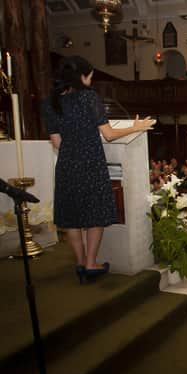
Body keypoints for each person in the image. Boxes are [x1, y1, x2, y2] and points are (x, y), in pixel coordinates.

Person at [42, 56, 155, 283]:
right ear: (81, 76)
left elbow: (57, 143)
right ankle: (92, 263)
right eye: (90, 76)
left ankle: (80, 263)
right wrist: (136, 126)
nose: (91, 81)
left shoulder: (50, 102)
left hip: (66, 165)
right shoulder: (88, 97)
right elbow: (109, 134)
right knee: (95, 212)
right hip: (91, 163)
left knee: (72, 216)